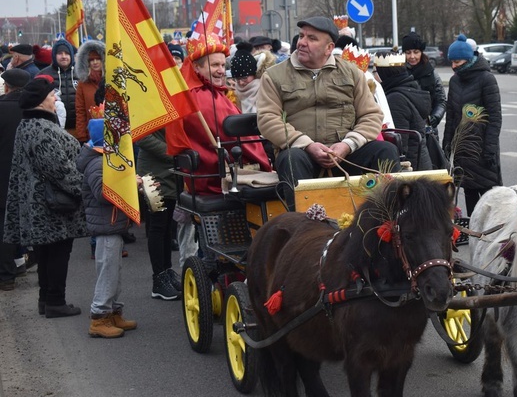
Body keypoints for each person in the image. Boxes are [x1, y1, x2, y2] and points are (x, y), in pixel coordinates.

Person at [256, 16, 401, 210]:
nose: (302, 43)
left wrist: (347, 145)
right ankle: (302, 227)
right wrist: (307, 145)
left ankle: (387, 220)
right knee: (290, 159)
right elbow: (267, 118)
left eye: (312, 38)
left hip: (346, 153)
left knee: (386, 151)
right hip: (301, 153)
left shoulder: (352, 73)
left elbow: (372, 115)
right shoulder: (274, 76)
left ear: (329, 48)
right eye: (301, 36)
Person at [3, 77, 88, 317]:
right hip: (51, 205)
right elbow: (59, 169)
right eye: (52, 95)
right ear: (41, 102)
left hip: (43, 203)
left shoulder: (33, 125)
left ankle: (46, 300)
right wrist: (85, 188)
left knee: (47, 253)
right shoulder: (40, 129)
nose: (55, 98)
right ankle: (55, 301)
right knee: (58, 252)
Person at [177, 33, 272, 195]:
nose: (221, 71)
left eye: (222, 65)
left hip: (208, 175)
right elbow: (241, 140)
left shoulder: (202, 93)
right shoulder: (203, 98)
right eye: (214, 65)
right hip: (218, 179)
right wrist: (267, 165)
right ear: (196, 67)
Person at [77, 119, 138, 337]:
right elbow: (103, 194)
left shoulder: (103, 158)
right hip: (105, 226)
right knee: (107, 273)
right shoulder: (96, 163)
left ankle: (113, 312)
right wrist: (130, 185)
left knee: (114, 272)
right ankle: (99, 318)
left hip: (111, 225)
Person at [442, 34, 503, 216]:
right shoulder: (454, 81)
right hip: (463, 148)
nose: (454, 66)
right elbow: (452, 116)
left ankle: (492, 232)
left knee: (488, 194)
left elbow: (495, 117)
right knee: (468, 190)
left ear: (468, 59)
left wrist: (490, 149)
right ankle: (474, 231)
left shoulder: (486, 79)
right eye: (451, 61)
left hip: (482, 148)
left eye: (457, 61)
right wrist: (447, 145)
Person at [136, 127, 181, 301]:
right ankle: (159, 279)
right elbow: (142, 137)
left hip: (169, 174)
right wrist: (173, 153)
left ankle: (167, 271)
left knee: (168, 227)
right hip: (152, 177)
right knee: (157, 226)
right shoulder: (147, 105)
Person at [0, 69, 31, 291]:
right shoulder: (34, 108)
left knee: (4, 225)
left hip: (3, 177)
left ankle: (6, 275)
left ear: (7, 86)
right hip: (31, 177)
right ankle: (25, 262)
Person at [374, 53, 433, 171]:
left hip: (411, 168)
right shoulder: (409, 89)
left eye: (376, 72)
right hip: (420, 162)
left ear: (384, 74)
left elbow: (400, 144)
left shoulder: (395, 99)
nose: (373, 75)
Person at [402, 32, 446, 134]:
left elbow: (441, 100)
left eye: (416, 52)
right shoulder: (400, 72)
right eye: (408, 53)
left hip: (428, 129)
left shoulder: (431, 73)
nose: (412, 56)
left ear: (421, 52)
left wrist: (435, 117)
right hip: (405, 128)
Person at [39, 39, 78, 138]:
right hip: (53, 129)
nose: (64, 56)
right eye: (60, 53)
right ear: (54, 55)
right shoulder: (44, 74)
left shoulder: (81, 73)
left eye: (67, 53)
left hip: (78, 129)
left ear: (71, 56)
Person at [75, 41, 106, 143]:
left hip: (112, 133)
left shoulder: (112, 80)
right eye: (91, 60)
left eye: (98, 59)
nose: (95, 62)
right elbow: (80, 111)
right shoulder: (83, 83)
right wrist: (81, 136)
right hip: (91, 135)